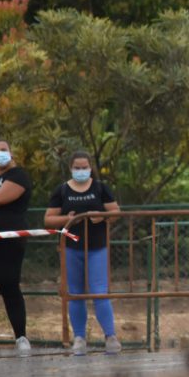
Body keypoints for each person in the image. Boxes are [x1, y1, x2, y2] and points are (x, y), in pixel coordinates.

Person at [44, 151, 121, 356]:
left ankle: (110, 336)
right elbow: (49, 219)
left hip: (98, 247)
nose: (81, 171)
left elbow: (115, 213)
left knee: (99, 292)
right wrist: (66, 219)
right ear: (71, 168)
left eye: (84, 167)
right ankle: (79, 338)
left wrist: (102, 216)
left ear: (90, 167)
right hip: (71, 248)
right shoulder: (62, 190)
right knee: (75, 294)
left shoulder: (100, 188)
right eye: (77, 167)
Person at [0, 138, 33, 357]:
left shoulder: (18, 176)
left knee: (9, 285)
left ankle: (21, 337)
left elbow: (0, 198)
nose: (0, 153)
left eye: (3, 150)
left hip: (10, 241)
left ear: (10, 153)